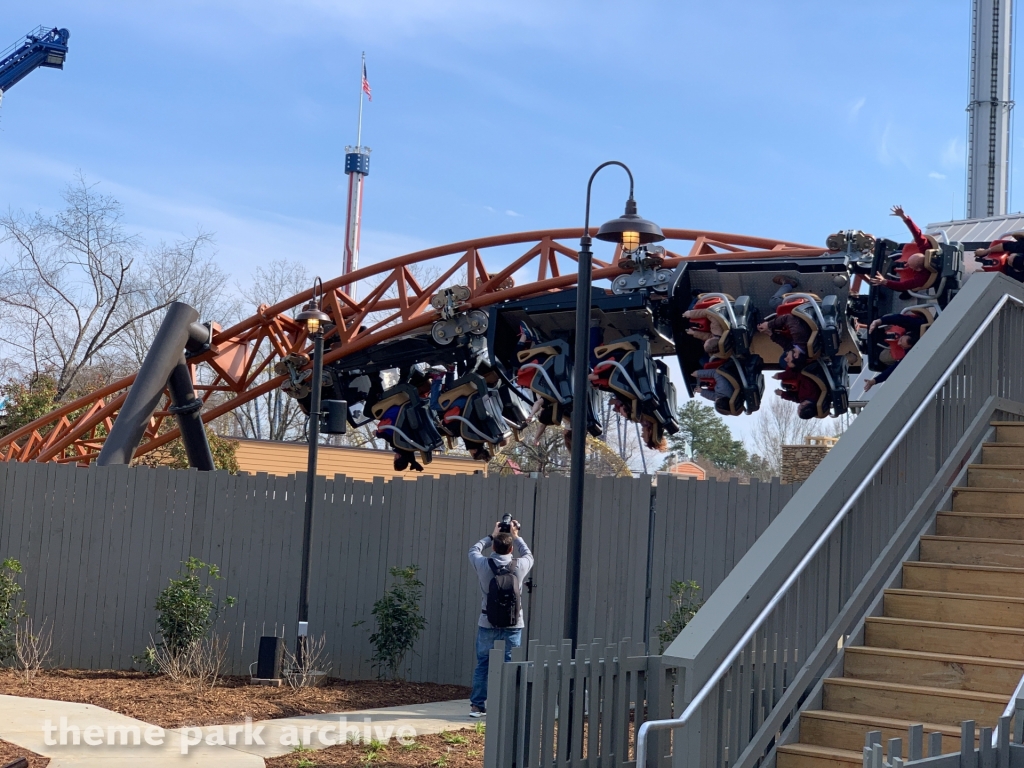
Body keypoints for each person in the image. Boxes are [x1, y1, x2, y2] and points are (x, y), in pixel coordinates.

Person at [467, 520, 534, 718]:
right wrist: (516, 535)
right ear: (511, 548)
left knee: (484, 664)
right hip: (513, 624)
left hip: (487, 622)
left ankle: (477, 706)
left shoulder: (483, 564)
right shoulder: (520, 565)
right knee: (510, 664)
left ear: (494, 546)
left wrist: (491, 535)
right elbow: (529, 554)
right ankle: (508, 705)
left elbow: (474, 550)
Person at [866, 205, 934, 292]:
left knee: (905, 286)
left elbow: (903, 285)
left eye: (909, 265)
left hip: (917, 278)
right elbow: (917, 233)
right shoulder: (925, 248)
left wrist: (885, 282)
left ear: (918, 269)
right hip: (918, 263)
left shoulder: (922, 278)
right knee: (896, 254)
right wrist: (904, 216)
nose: (906, 264)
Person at [861, 313, 928, 391]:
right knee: (887, 318)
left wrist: (874, 381)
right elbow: (900, 319)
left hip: (900, 350)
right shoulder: (914, 325)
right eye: (901, 340)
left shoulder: (910, 354)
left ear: (910, 347)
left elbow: (895, 368)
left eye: (902, 346)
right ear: (908, 334)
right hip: (908, 327)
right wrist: (879, 321)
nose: (899, 343)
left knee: (883, 357)